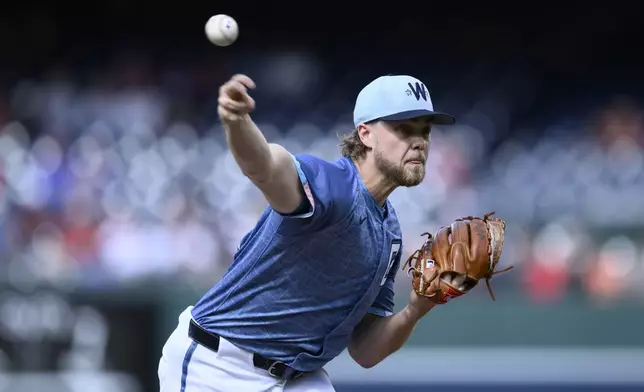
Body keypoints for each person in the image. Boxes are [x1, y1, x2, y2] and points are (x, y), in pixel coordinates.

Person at [158, 73, 456, 392]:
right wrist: (237, 122)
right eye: (403, 129)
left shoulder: (390, 233)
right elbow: (266, 167)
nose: (419, 141)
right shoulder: (333, 186)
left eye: (425, 131)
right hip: (220, 365)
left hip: (299, 377)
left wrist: (415, 309)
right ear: (365, 134)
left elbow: (365, 351)